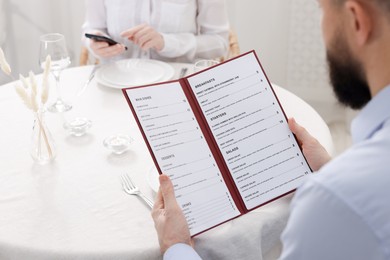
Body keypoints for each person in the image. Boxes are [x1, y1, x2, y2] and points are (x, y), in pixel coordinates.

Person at [151, 0, 390, 259]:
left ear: (357, 20)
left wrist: (177, 247)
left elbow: (353, 201)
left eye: (321, 11)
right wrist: (327, 169)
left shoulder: (331, 204)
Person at [82, 0, 230, 63]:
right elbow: (92, 29)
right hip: (115, 85)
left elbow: (219, 41)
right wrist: (95, 44)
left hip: (177, 86)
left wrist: (167, 43)